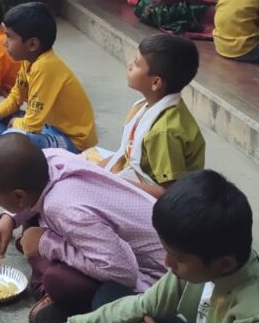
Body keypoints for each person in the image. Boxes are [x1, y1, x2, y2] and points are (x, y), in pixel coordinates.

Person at [66, 170, 259, 323]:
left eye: (177, 257)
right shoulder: (198, 263)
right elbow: (143, 305)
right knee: (110, 296)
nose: (167, 263)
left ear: (225, 263)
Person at [0, 136, 167, 323]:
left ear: (18, 195)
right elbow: (31, 196)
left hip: (155, 274)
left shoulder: (63, 208)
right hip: (108, 241)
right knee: (32, 225)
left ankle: (62, 300)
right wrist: (9, 219)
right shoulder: (52, 158)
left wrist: (46, 243)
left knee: (58, 279)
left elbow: (124, 272)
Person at [86, 34, 205, 199]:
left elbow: (171, 194)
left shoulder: (163, 132)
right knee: (74, 165)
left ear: (155, 83)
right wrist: (91, 172)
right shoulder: (144, 106)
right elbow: (125, 152)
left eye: (136, 64)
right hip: (131, 175)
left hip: (157, 204)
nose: (129, 65)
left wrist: (114, 183)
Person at [0, 2, 95, 152]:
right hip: (46, 127)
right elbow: (15, 97)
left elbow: (32, 124)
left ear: (32, 44)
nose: (4, 43)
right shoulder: (28, 61)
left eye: (10, 37)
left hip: (71, 141)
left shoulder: (45, 67)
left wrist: (15, 122)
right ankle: (2, 144)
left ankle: (3, 145)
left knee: (16, 136)